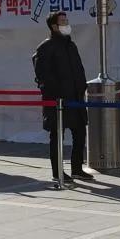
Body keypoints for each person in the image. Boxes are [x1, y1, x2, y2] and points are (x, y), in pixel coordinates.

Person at [33, 12, 92, 187]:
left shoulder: (71, 45)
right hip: (58, 100)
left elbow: (78, 69)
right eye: (63, 21)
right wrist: (56, 93)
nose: (66, 23)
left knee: (79, 133)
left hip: (76, 98)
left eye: (66, 20)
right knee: (57, 135)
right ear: (54, 26)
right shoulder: (46, 47)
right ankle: (57, 171)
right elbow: (43, 74)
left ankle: (77, 168)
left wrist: (81, 87)